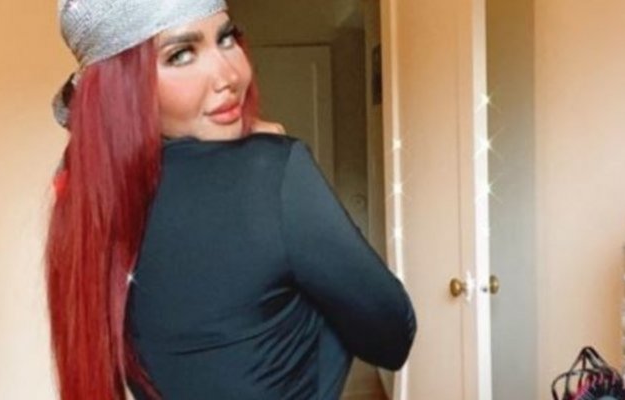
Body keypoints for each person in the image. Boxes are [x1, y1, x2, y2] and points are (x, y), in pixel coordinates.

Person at [45, 0, 417, 399]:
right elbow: (392, 336)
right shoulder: (269, 174)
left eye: (226, 38)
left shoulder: (86, 199)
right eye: (181, 54)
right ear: (121, 88)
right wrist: (280, 170)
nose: (230, 76)